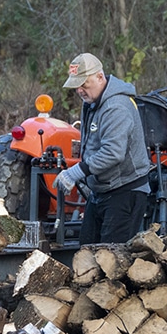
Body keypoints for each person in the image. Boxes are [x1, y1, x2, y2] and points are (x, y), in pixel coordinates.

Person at [53, 52, 151, 244]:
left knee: (112, 259)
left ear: (100, 76)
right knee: (86, 250)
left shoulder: (116, 106)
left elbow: (113, 153)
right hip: (103, 190)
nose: (80, 91)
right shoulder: (91, 103)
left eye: (84, 84)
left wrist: (76, 172)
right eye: (76, 86)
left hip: (125, 191)